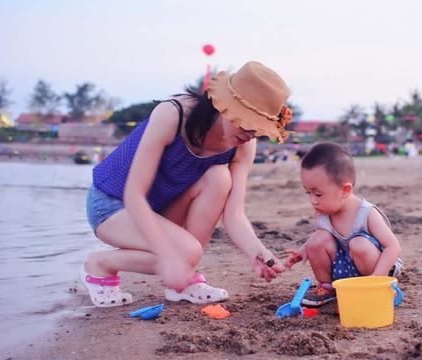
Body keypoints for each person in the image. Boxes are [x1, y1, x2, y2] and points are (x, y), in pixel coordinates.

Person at [82, 61, 291, 307]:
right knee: (186, 252)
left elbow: (234, 215)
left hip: (160, 208)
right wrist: (169, 254)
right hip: (112, 204)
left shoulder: (243, 147)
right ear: (225, 106)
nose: (248, 135)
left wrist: (257, 252)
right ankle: (100, 264)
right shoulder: (173, 115)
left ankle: (182, 279)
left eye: (257, 131)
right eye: (245, 123)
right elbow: (134, 195)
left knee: (219, 177)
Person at [286, 142, 403, 306]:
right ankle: (328, 288)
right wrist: (303, 250)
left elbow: (393, 247)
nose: (312, 200)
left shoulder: (366, 213)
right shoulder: (323, 211)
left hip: (375, 269)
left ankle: (369, 288)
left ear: (345, 190)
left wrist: (377, 278)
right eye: (308, 192)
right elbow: (322, 238)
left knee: (359, 243)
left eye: (318, 194)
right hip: (343, 268)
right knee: (317, 238)